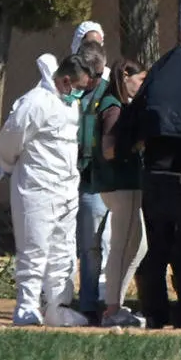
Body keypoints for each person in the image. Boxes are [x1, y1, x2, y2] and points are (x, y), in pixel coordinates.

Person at [122, 45, 181, 329]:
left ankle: (155, 313)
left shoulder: (154, 94)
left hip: (155, 180)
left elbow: (129, 131)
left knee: (157, 248)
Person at [0, 53, 95, 328]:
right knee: (34, 249)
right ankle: (26, 306)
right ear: (64, 81)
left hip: (65, 190)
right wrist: (8, 164)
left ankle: (57, 306)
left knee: (63, 251)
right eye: (77, 88)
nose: (78, 95)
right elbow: (9, 141)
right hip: (36, 189)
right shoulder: (35, 103)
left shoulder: (68, 105)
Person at [93, 59, 149, 327]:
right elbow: (109, 149)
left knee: (139, 246)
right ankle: (112, 309)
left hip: (125, 184)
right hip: (121, 184)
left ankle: (116, 302)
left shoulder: (119, 105)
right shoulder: (114, 108)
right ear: (125, 76)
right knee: (120, 247)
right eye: (139, 80)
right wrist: (135, 144)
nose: (141, 86)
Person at [72, 22, 113, 321]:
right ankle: (82, 301)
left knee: (95, 245)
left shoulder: (104, 96)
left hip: (95, 180)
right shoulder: (69, 91)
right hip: (75, 180)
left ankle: (94, 301)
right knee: (84, 245)